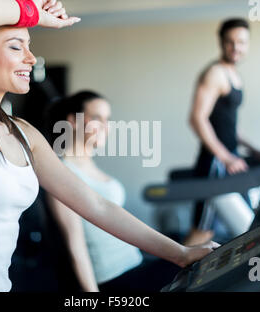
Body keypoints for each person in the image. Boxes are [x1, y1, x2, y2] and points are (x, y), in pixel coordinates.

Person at [0, 0, 217, 292]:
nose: (30, 59)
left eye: (29, 47)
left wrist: (181, 253)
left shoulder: (23, 134)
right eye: (16, 47)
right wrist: (32, 11)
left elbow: (96, 206)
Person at [46, 91, 182, 292]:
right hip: (115, 278)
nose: (105, 127)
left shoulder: (90, 167)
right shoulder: (62, 173)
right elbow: (75, 245)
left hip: (136, 264)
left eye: (107, 120)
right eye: (97, 118)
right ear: (73, 121)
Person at [186, 18, 260, 246]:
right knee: (202, 233)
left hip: (230, 161)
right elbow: (197, 119)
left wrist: (256, 151)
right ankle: (168, 280)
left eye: (241, 42)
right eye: (230, 42)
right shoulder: (215, 73)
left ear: (247, 44)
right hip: (214, 164)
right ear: (221, 42)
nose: (236, 47)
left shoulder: (233, 74)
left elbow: (230, 125)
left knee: (247, 224)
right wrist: (225, 157)